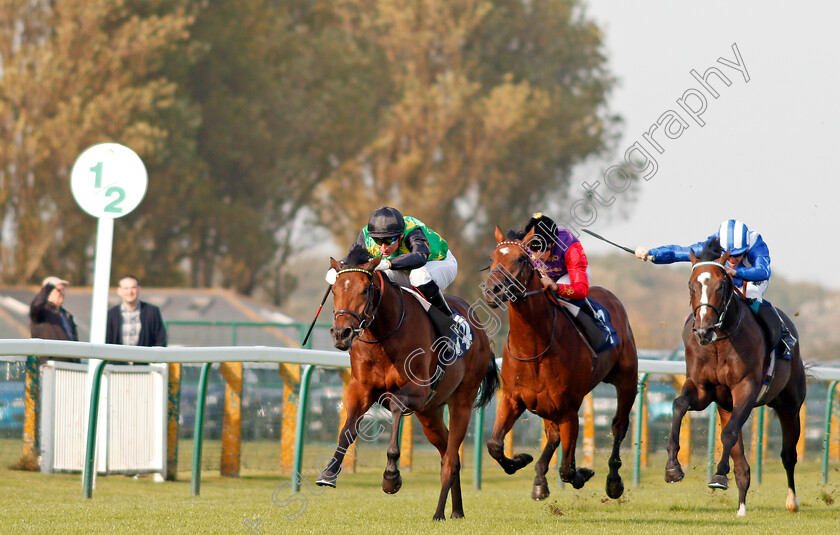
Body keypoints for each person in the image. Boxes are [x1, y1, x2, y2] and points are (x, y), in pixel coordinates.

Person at [634, 218, 797, 356]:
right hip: (725, 276)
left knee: (752, 295)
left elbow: (763, 271)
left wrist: (736, 270)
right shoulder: (714, 243)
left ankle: (782, 333)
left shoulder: (756, 244)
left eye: (738, 254)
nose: (733, 258)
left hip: (752, 277)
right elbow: (679, 252)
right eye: (729, 255)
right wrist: (651, 253)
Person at [328, 206, 459, 346]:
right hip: (406, 269)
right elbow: (352, 259)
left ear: (401, 236)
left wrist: (388, 263)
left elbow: (420, 256)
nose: (383, 248)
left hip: (439, 264)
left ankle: (449, 322)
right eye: (378, 242)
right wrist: (334, 269)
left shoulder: (412, 231)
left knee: (419, 276)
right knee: (375, 278)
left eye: (389, 241)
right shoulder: (367, 235)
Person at [520, 212, 614, 351]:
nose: (537, 255)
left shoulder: (570, 245)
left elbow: (581, 290)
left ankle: (596, 321)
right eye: (533, 249)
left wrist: (556, 287)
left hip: (570, 275)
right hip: (548, 275)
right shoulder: (524, 245)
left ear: (552, 243)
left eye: (543, 249)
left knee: (560, 295)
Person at [106, 275, 167, 352]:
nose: (130, 292)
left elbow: (160, 341)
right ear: (119, 291)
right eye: (126, 288)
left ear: (139, 289)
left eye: (133, 288)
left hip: (144, 362)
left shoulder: (152, 312)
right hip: (117, 363)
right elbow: (107, 342)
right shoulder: (111, 314)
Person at [29, 276, 80, 362]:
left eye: (63, 290)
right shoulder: (42, 313)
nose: (62, 293)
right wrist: (47, 288)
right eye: (59, 290)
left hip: (69, 368)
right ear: (47, 292)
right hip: (48, 368)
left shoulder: (66, 315)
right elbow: (36, 306)